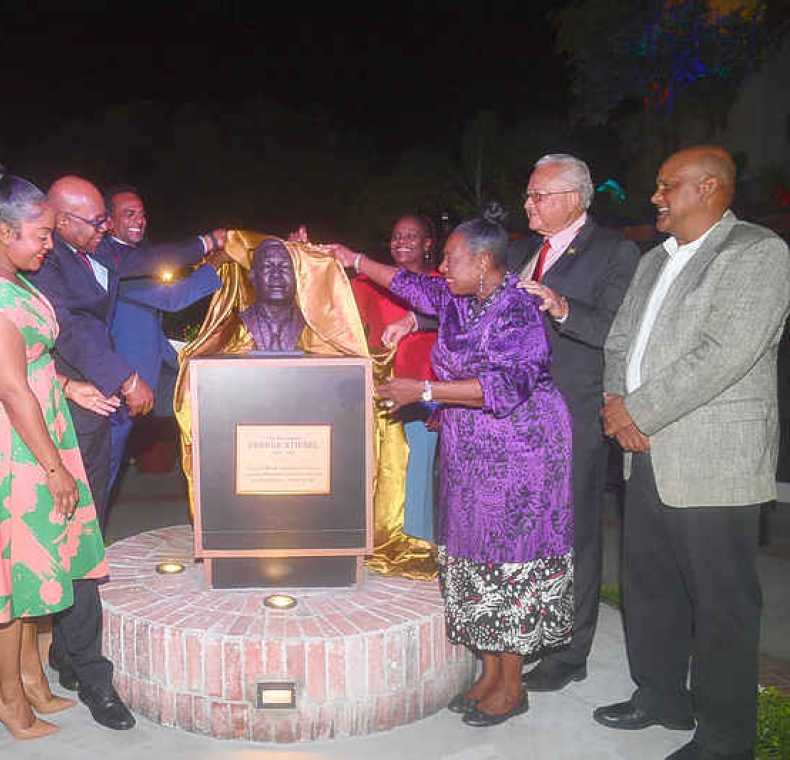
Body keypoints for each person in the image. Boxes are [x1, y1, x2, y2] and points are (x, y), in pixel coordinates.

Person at [328, 219, 574, 727]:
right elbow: (408, 283)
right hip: (469, 452)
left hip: (520, 455)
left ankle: (513, 684)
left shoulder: (518, 309)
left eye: (451, 258)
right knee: (472, 559)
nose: (441, 267)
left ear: (483, 262)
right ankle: (488, 671)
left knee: (508, 564)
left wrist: (423, 391)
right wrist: (352, 258)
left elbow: (504, 386)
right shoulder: (460, 299)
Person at [596, 145, 790, 760]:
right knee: (650, 586)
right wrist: (612, 403)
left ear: (708, 188)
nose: (655, 197)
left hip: (712, 459)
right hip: (644, 451)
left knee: (722, 604)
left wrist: (637, 410)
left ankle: (725, 740)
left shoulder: (757, 253)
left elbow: (725, 352)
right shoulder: (655, 260)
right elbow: (620, 339)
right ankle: (660, 698)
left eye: (665, 186)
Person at [0, 163, 121, 740]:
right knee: (8, 577)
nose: (48, 244)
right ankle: (6, 698)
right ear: (3, 232)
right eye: (40, 234)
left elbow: (30, 364)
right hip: (12, 448)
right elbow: (9, 389)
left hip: (42, 427)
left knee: (41, 567)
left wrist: (69, 385)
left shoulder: (18, 282)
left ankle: (35, 681)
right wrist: (54, 466)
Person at [27, 175, 207, 727]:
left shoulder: (93, 251)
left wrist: (213, 243)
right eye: (98, 220)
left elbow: (154, 260)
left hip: (95, 410)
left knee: (86, 534)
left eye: (109, 218)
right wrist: (124, 377)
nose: (107, 228)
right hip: (65, 414)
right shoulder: (46, 264)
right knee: (73, 536)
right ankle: (90, 673)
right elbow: (76, 331)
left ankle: (65, 650)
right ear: (58, 220)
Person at [505, 154, 639, 693]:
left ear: (573, 199)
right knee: (528, 530)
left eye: (538, 196)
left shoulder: (614, 252)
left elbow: (617, 330)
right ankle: (533, 629)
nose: (528, 204)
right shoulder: (520, 251)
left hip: (572, 415)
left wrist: (561, 307)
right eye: (528, 195)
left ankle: (570, 649)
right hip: (517, 417)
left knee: (575, 534)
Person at [102, 185, 226, 490]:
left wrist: (181, 359)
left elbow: (150, 320)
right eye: (129, 214)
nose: (139, 221)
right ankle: (88, 535)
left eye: (142, 214)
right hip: (121, 382)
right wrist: (215, 264)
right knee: (103, 468)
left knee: (211, 406)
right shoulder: (114, 261)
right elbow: (173, 298)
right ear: (108, 221)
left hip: (157, 372)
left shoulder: (137, 256)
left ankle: (221, 494)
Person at [357, 214, 441, 542]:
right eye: (396, 236)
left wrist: (444, 402)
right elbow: (327, 296)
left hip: (426, 397)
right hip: (379, 398)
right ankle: (377, 545)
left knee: (418, 478)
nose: (401, 242)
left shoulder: (443, 285)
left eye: (411, 236)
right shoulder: (369, 284)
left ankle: (416, 549)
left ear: (428, 244)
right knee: (380, 477)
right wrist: (304, 254)